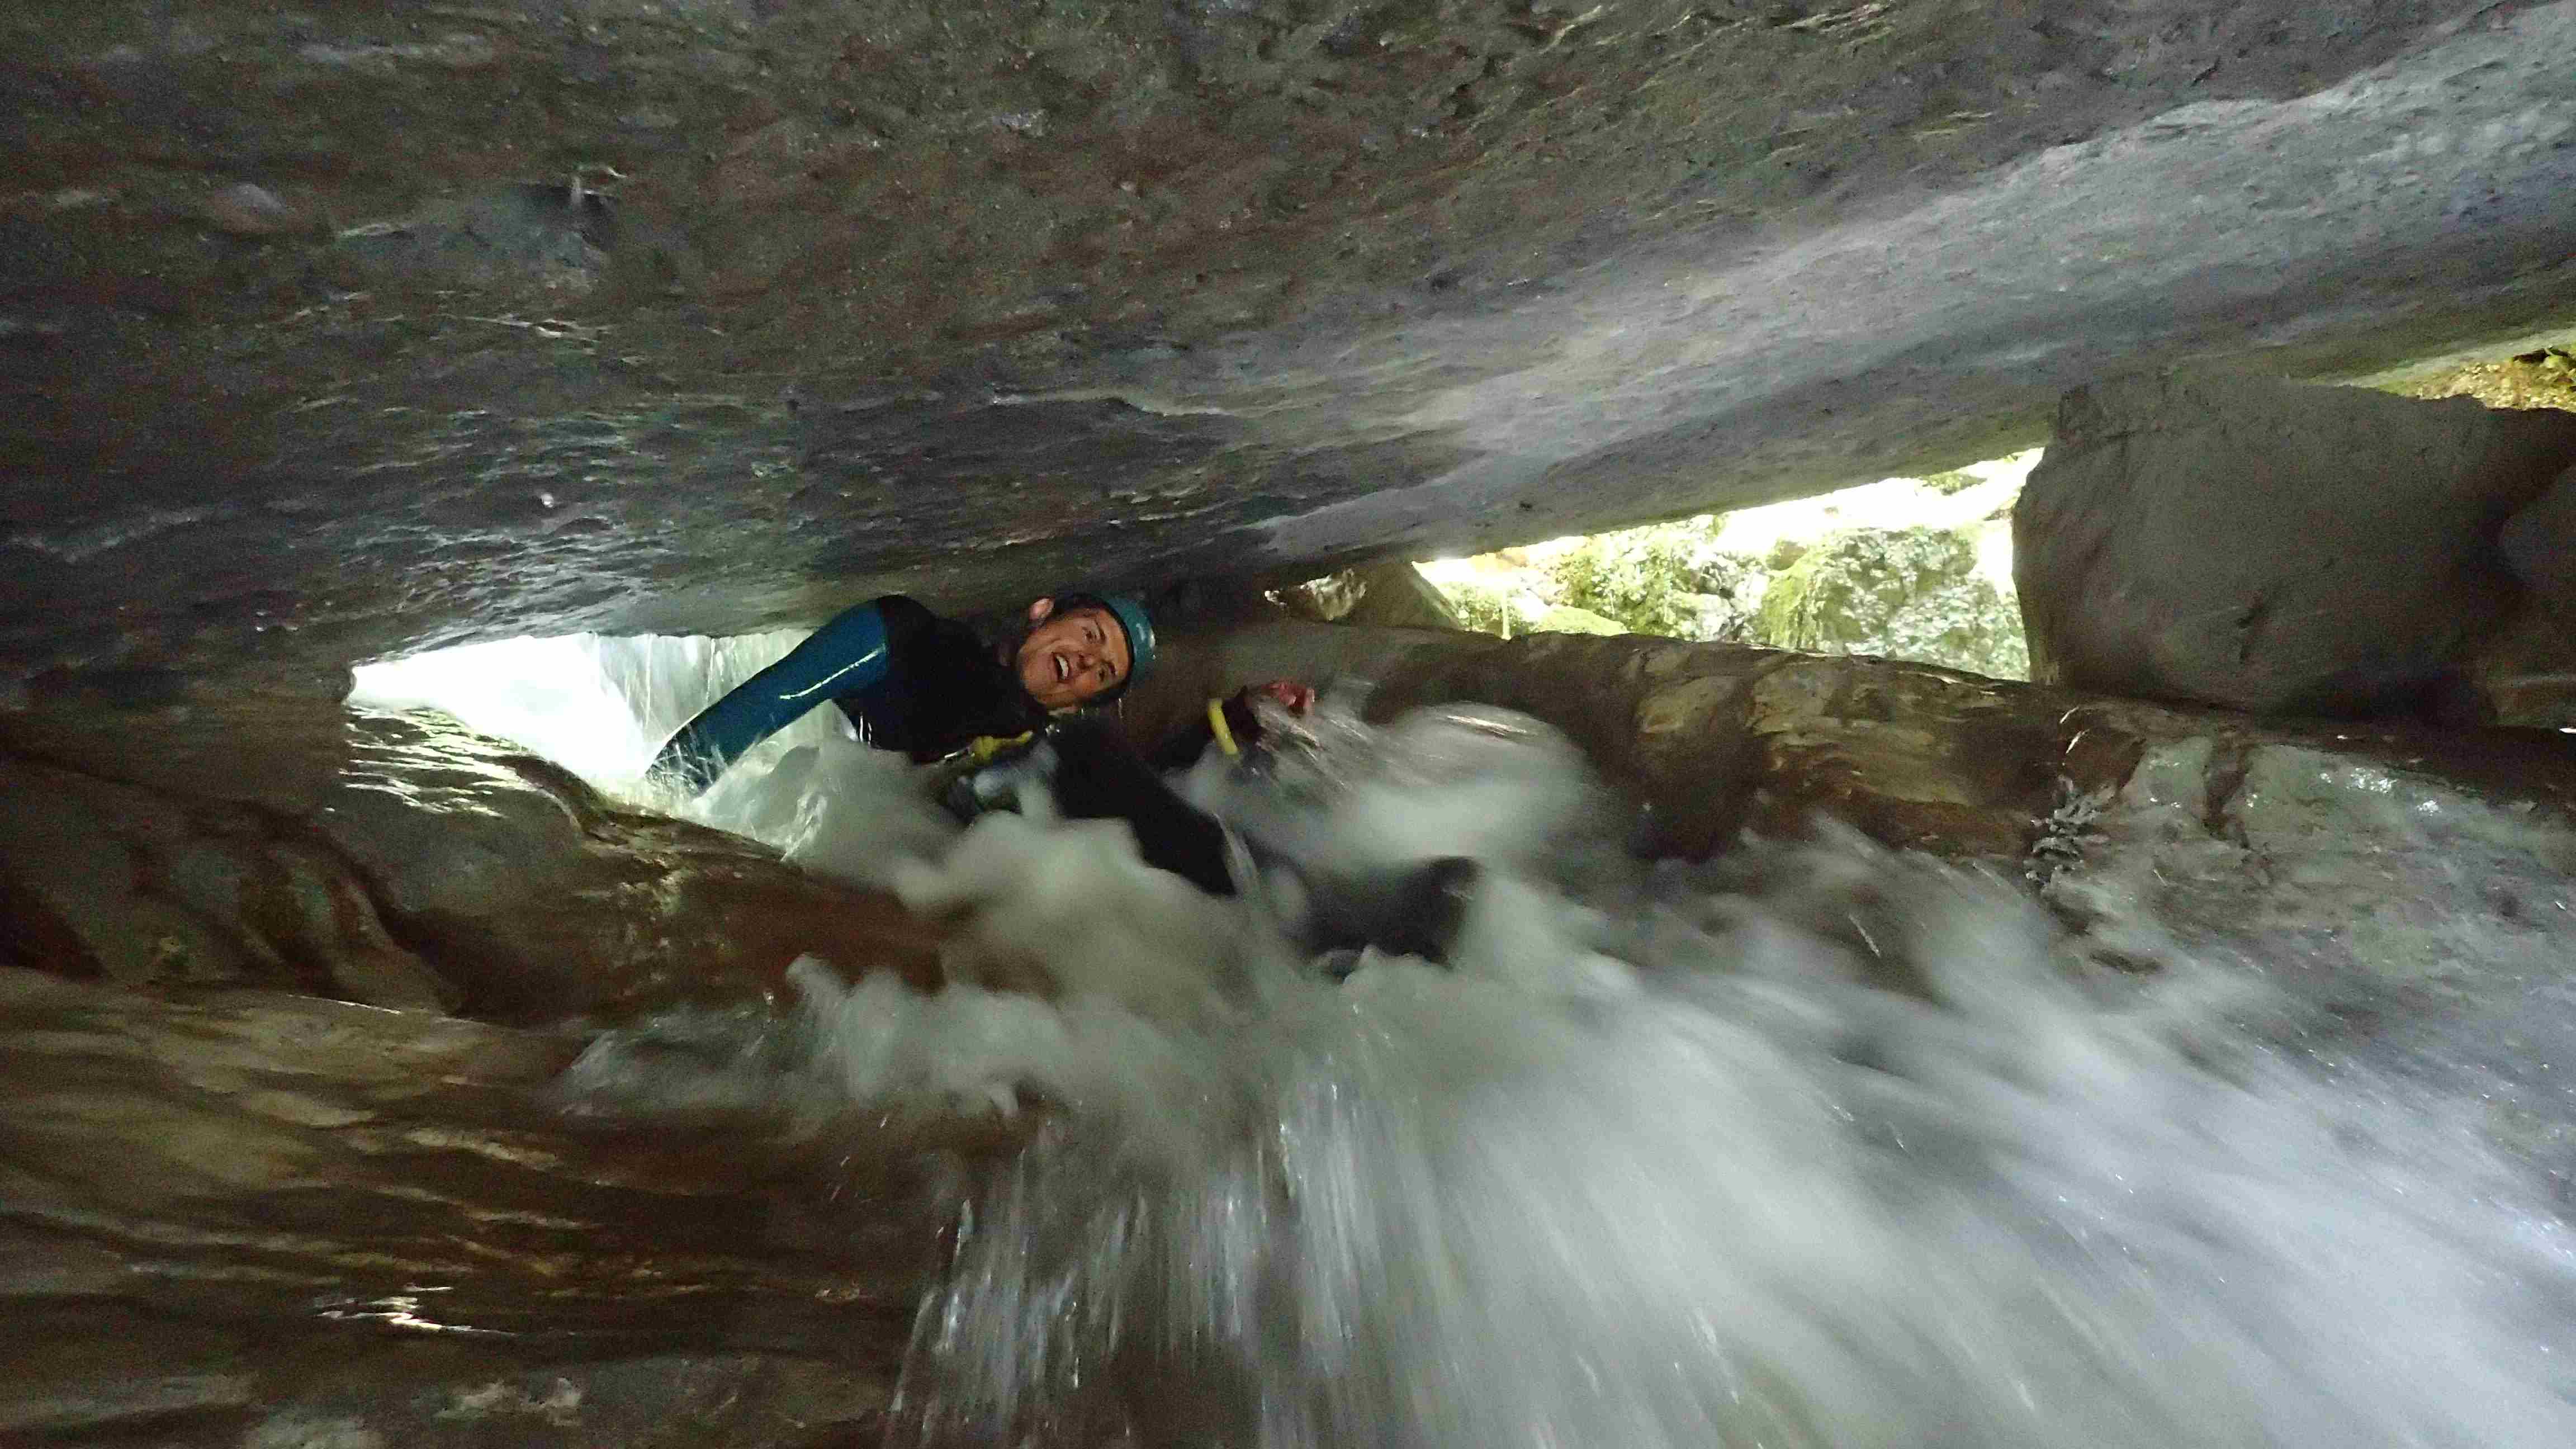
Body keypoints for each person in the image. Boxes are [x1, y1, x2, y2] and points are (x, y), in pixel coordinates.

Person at [650, 590, 1245, 896]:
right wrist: (645, 812)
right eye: (1090, 635)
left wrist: (1236, 721)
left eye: (1103, 672)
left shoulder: (1040, 751)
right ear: (1042, 614)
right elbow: (765, 706)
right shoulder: (900, 637)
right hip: (837, 815)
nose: (1087, 659)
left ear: (1076, 700)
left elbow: (1136, 804)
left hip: (905, 878)